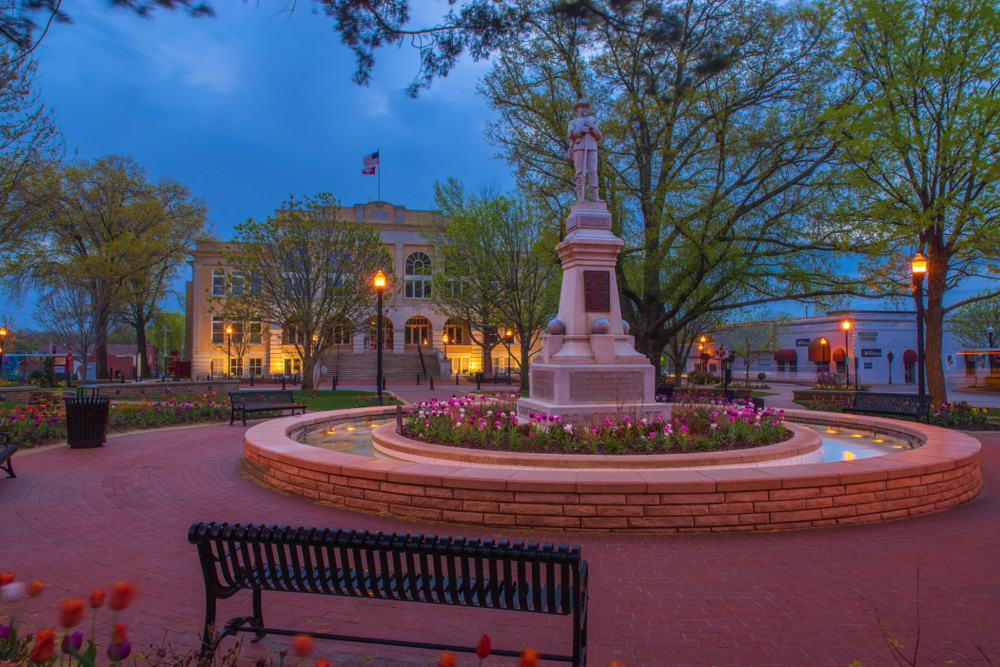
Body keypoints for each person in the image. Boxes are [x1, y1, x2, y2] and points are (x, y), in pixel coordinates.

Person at [566, 100, 603, 202]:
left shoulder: (592, 121)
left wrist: (592, 128)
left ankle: (595, 197)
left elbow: (600, 136)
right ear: (577, 109)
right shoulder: (573, 122)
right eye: (582, 107)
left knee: (593, 172)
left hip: (592, 147)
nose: (584, 109)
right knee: (580, 173)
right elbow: (570, 135)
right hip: (578, 147)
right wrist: (581, 130)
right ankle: (581, 197)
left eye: (586, 107)